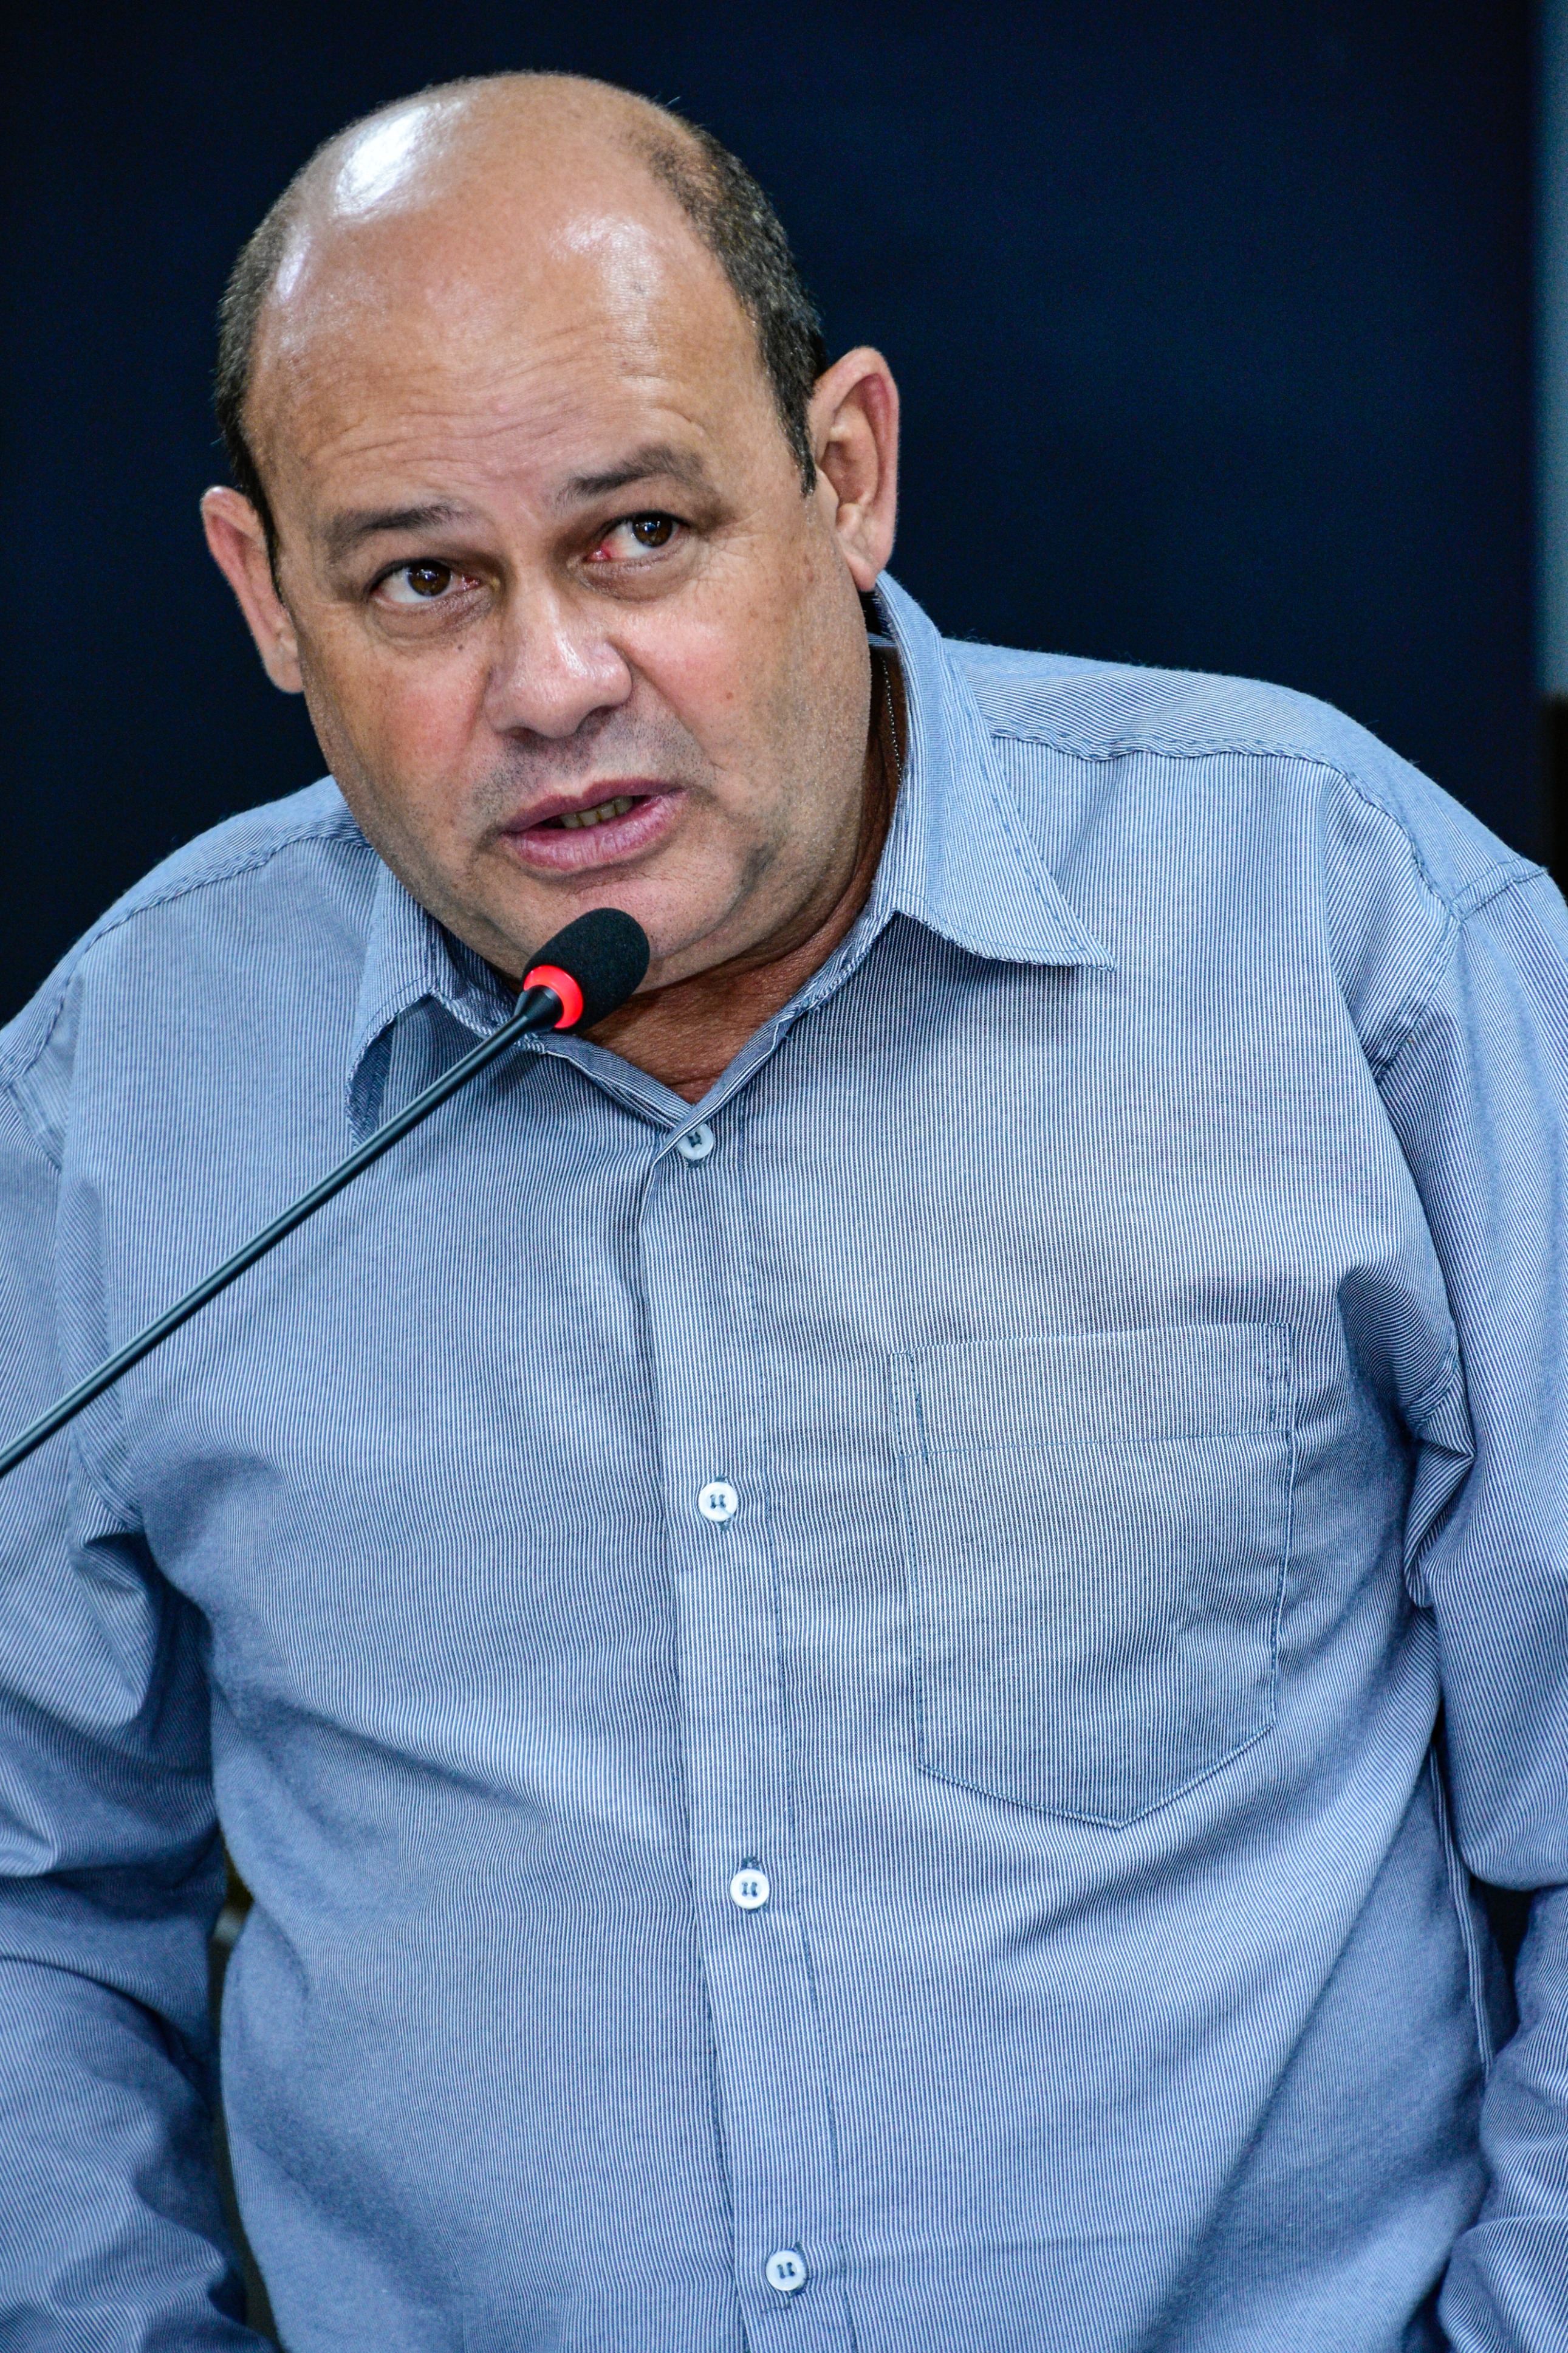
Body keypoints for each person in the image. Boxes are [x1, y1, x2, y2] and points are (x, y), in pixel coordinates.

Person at [0, 68, 1563, 2353]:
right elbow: (30, 1907)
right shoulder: (117, 1090)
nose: (553, 684)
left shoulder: (1355, 931)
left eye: (641, 534)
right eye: (424, 580)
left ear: (847, 473)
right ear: (266, 594)